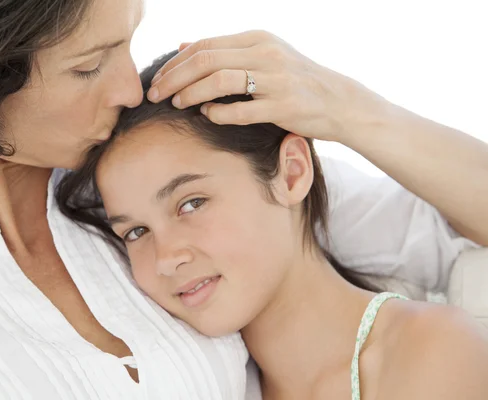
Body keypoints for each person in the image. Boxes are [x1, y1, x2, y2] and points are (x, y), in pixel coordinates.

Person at [0, 0, 485, 398]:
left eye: (127, 44)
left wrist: (348, 110)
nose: (128, 87)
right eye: (89, 67)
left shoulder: (141, 164)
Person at [76, 51, 488, 400]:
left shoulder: (429, 353)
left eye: (192, 203)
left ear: (292, 173)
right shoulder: (214, 385)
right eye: (135, 232)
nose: (166, 258)